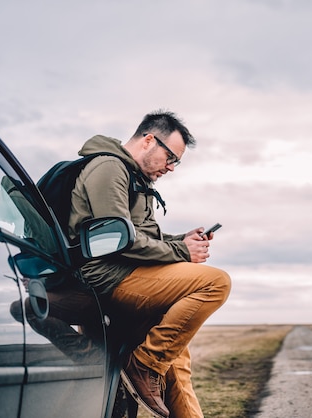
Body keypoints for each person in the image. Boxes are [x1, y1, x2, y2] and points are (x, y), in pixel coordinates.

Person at [68, 110, 232, 418]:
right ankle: (144, 364)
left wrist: (181, 239)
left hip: (131, 274)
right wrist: (183, 252)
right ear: (148, 141)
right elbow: (118, 241)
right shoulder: (108, 168)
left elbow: (140, 236)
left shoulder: (133, 176)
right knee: (215, 282)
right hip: (107, 277)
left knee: (177, 363)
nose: (171, 168)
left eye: (176, 162)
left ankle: (152, 364)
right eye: (171, 157)